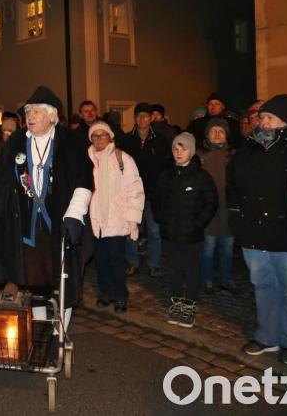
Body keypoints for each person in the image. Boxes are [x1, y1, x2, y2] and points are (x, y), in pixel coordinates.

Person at [0, 86, 93, 327]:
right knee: (31, 279)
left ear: (52, 115)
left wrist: (75, 214)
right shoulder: (16, 142)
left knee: (62, 279)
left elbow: (84, 180)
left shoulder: (70, 140)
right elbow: (0, 181)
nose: (30, 116)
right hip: (26, 225)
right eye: (27, 112)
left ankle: (60, 332)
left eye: (36, 111)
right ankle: (42, 327)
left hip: (60, 222)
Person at [227, 94, 287, 365]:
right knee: (263, 286)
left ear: (285, 122)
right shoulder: (250, 145)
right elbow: (233, 184)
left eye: (270, 117)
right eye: (262, 117)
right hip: (253, 231)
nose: (263, 122)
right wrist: (236, 217)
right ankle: (267, 336)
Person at [151, 133, 217, 328]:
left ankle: (188, 304)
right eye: (175, 149)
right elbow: (156, 198)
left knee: (191, 270)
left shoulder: (201, 176)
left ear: (192, 151)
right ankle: (176, 302)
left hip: (191, 235)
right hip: (170, 234)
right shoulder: (166, 174)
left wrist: (197, 223)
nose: (178, 152)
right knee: (173, 269)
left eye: (183, 148)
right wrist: (160, 219)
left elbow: (211, 202)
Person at [87, 122, 144, 313]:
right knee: (101, 261)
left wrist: (133, 219)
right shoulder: (87, 159)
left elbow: (134, 189)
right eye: (95, 136)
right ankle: (106, 293)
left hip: (116, 218)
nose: (99, 139)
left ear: (110, 137)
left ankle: (120, 296)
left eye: (103, 135)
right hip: (95, 220)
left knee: (117, 260)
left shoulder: (123, 158)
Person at [120, 103, 173, 278]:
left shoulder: (161, 140)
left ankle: (154, 263)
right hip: (132, 194)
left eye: (145, 116)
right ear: (134, 118)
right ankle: (132, 261)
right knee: (131, 230)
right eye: (139, 116)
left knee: (154, 231)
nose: (142, 119)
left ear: (151, 118)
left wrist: (162, 188)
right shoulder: (127, 140)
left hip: (153, 194)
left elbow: (167, 167)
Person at [197, 118, 237, 294]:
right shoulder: (200, 156)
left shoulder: (233, 155)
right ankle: (206, 279)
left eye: (221, 131)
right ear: (207, 134)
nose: (218, 134)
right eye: (214, 131)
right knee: (208, 248)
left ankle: (226, 278)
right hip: (209, 210)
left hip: (227, 209)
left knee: (227, 249)